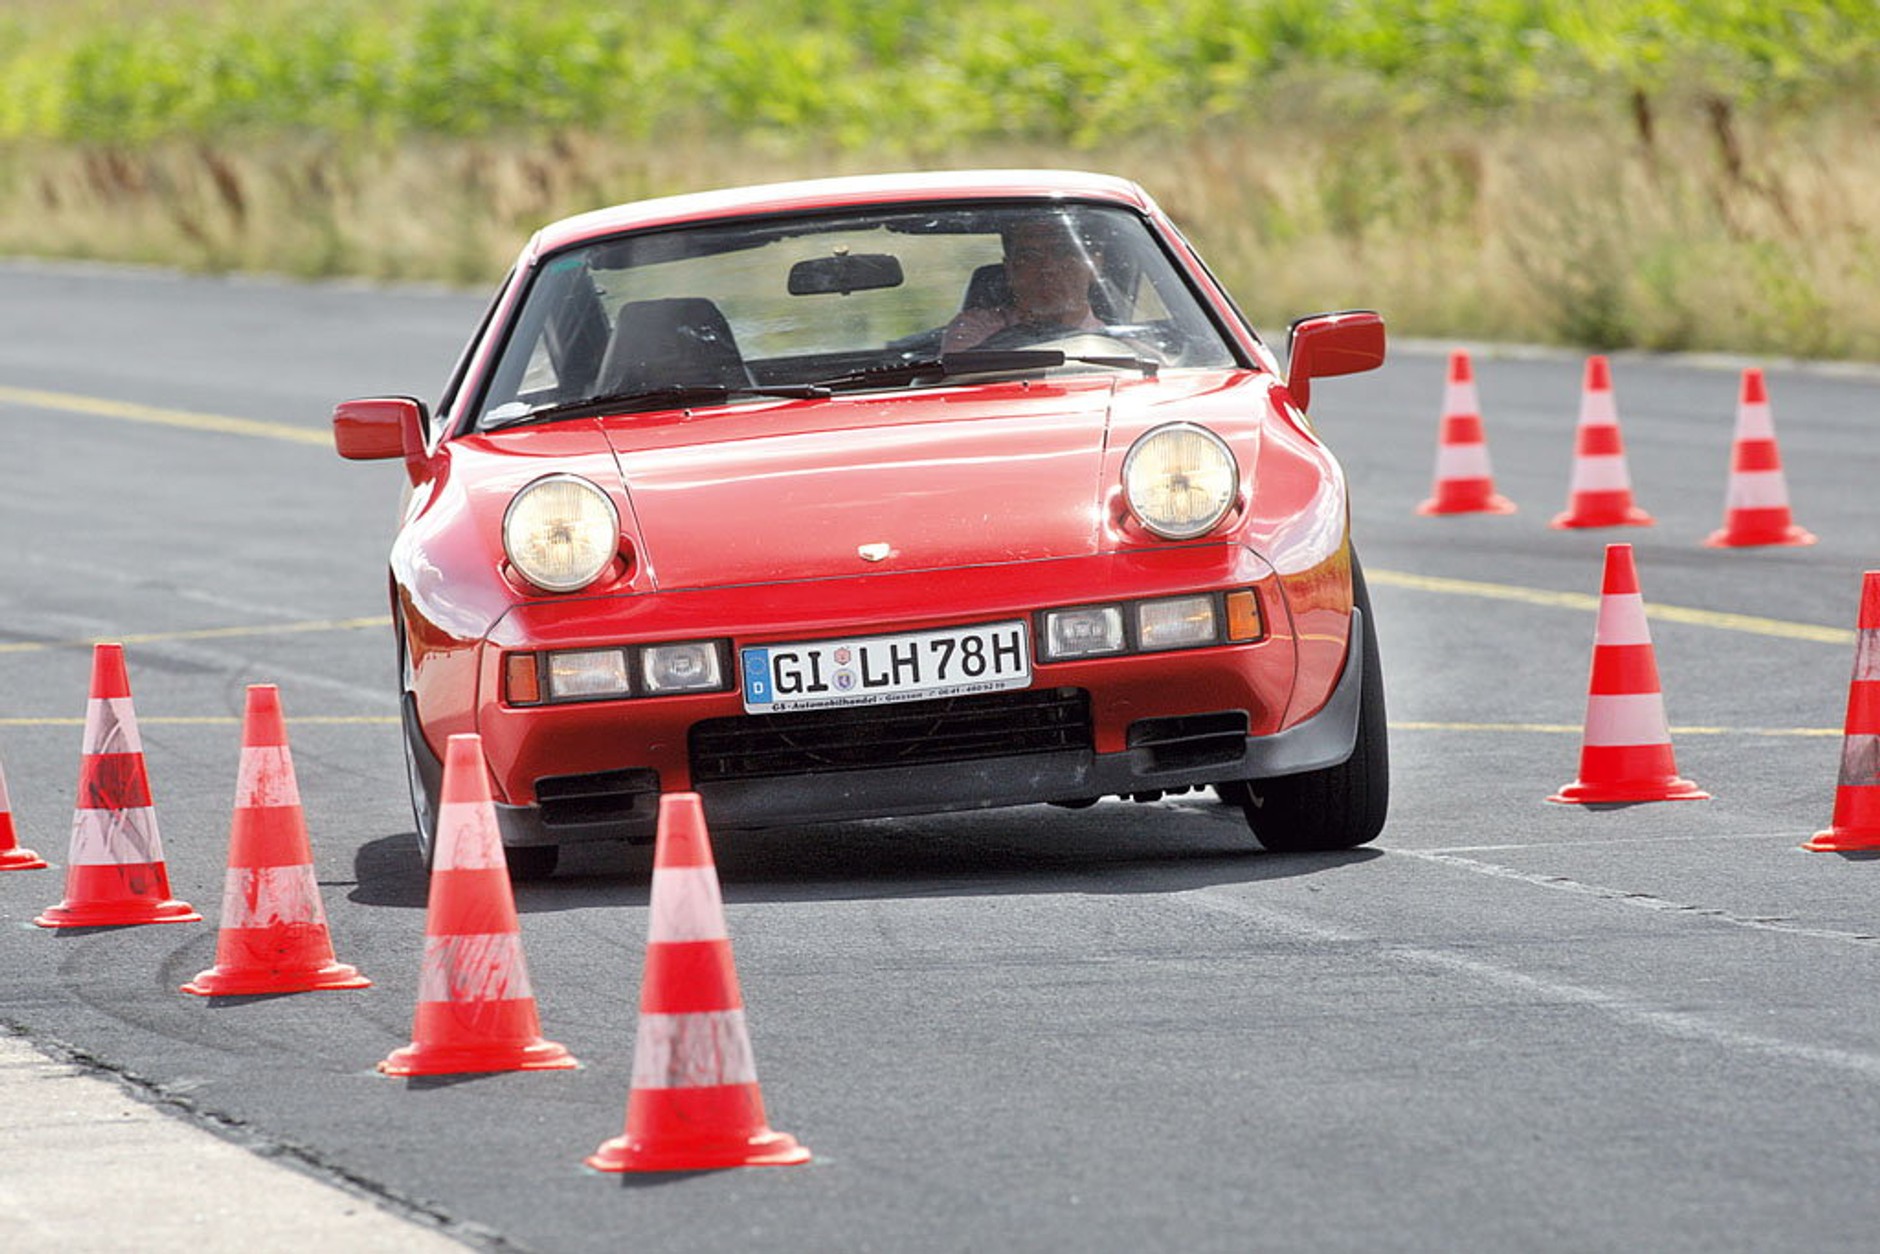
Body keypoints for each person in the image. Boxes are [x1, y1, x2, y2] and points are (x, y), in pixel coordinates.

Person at [942, 215, 1105, 352]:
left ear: (1094, 266)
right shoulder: (975, 330)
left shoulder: (1119, 346)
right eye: (1030, 257)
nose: (1048, 268)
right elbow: (961, 380)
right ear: (1010, 270)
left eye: (1063, 253)